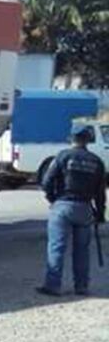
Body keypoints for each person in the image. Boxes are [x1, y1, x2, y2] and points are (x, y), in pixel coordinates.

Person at [37, 125, 107, 296]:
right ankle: (81, 286)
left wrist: (53, 199)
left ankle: (52, 286)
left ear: (72, 139)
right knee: (82, 251)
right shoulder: (97, 161)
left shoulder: (63, 156)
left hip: (62, 206)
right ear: (87, 140)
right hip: (84, 209)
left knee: (56, 247)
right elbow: (100, 193)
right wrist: (100, 214)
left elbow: (46, 182)